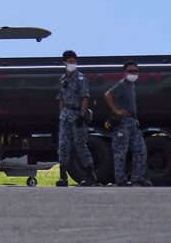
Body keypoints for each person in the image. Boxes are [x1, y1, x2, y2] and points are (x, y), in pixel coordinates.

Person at [105, 61, 151, 186]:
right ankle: (121, 180)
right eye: (130, 71)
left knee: (140, 150)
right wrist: (115, 110)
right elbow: (108, 95)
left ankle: (138, 177)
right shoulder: (122, 85)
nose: (133, 73)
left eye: (135, 71)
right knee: (121, 152)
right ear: (125, 73)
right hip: (123, 123)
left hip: (132, 122)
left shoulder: (131, 86)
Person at [56, 50, 98, 187]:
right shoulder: (62, 80)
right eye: (69, 61)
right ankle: (63, 177)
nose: (72, 63)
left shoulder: (80, 78)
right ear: (64, 63)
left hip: (77, 115)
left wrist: (82, 115)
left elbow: (85, 97)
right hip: (66, 117)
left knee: (80, 145)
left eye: (74, 61)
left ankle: (90, 175)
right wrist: (61, 115)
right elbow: (61, 99)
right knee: (63, 146)